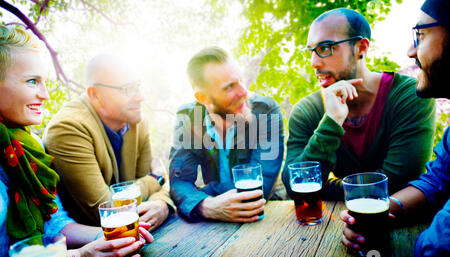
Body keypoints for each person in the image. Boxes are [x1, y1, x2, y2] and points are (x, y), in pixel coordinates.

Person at [0, 25, 153, 257]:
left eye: (44, 82)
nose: (45, 95)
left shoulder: (31, 147)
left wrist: (104, 240)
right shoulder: (68, 128)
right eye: (32, 82)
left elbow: (56, 225)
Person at [281, 8, 436, 201]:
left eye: (325, 48)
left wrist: (325, 188)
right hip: (333, 224)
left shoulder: (409, 96)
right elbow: (294, 185)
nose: (314, 62)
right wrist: (331, 121)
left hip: (402, 224)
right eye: (311, 51)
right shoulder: (307, 110)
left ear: (361, 48)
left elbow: (400, 182)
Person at [340, 0, 449, 257]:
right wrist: (388, 209)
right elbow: (437, 181)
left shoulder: (404, 95)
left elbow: (436, 252)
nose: (411, 51)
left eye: (420, 35)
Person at [44, 54, 176, 230]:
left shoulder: (136, 121)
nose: (141, 97)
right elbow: (106, 212)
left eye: (138, 87)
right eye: (128, 89)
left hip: (137, 236)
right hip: (92, 246)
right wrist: (156, 179)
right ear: (95, 95)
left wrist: (162, 205)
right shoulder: (67, 128)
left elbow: (157, 192)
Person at [169, 46, 284, 222]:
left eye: (241, 81)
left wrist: (198, 196)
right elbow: (179, 181)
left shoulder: (265, 111)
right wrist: (206, 206)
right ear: (203, 98)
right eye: (230, 87)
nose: (244, 92)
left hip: (264, 216)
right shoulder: (188, 117)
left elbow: (261, 185)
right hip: (211, 228)